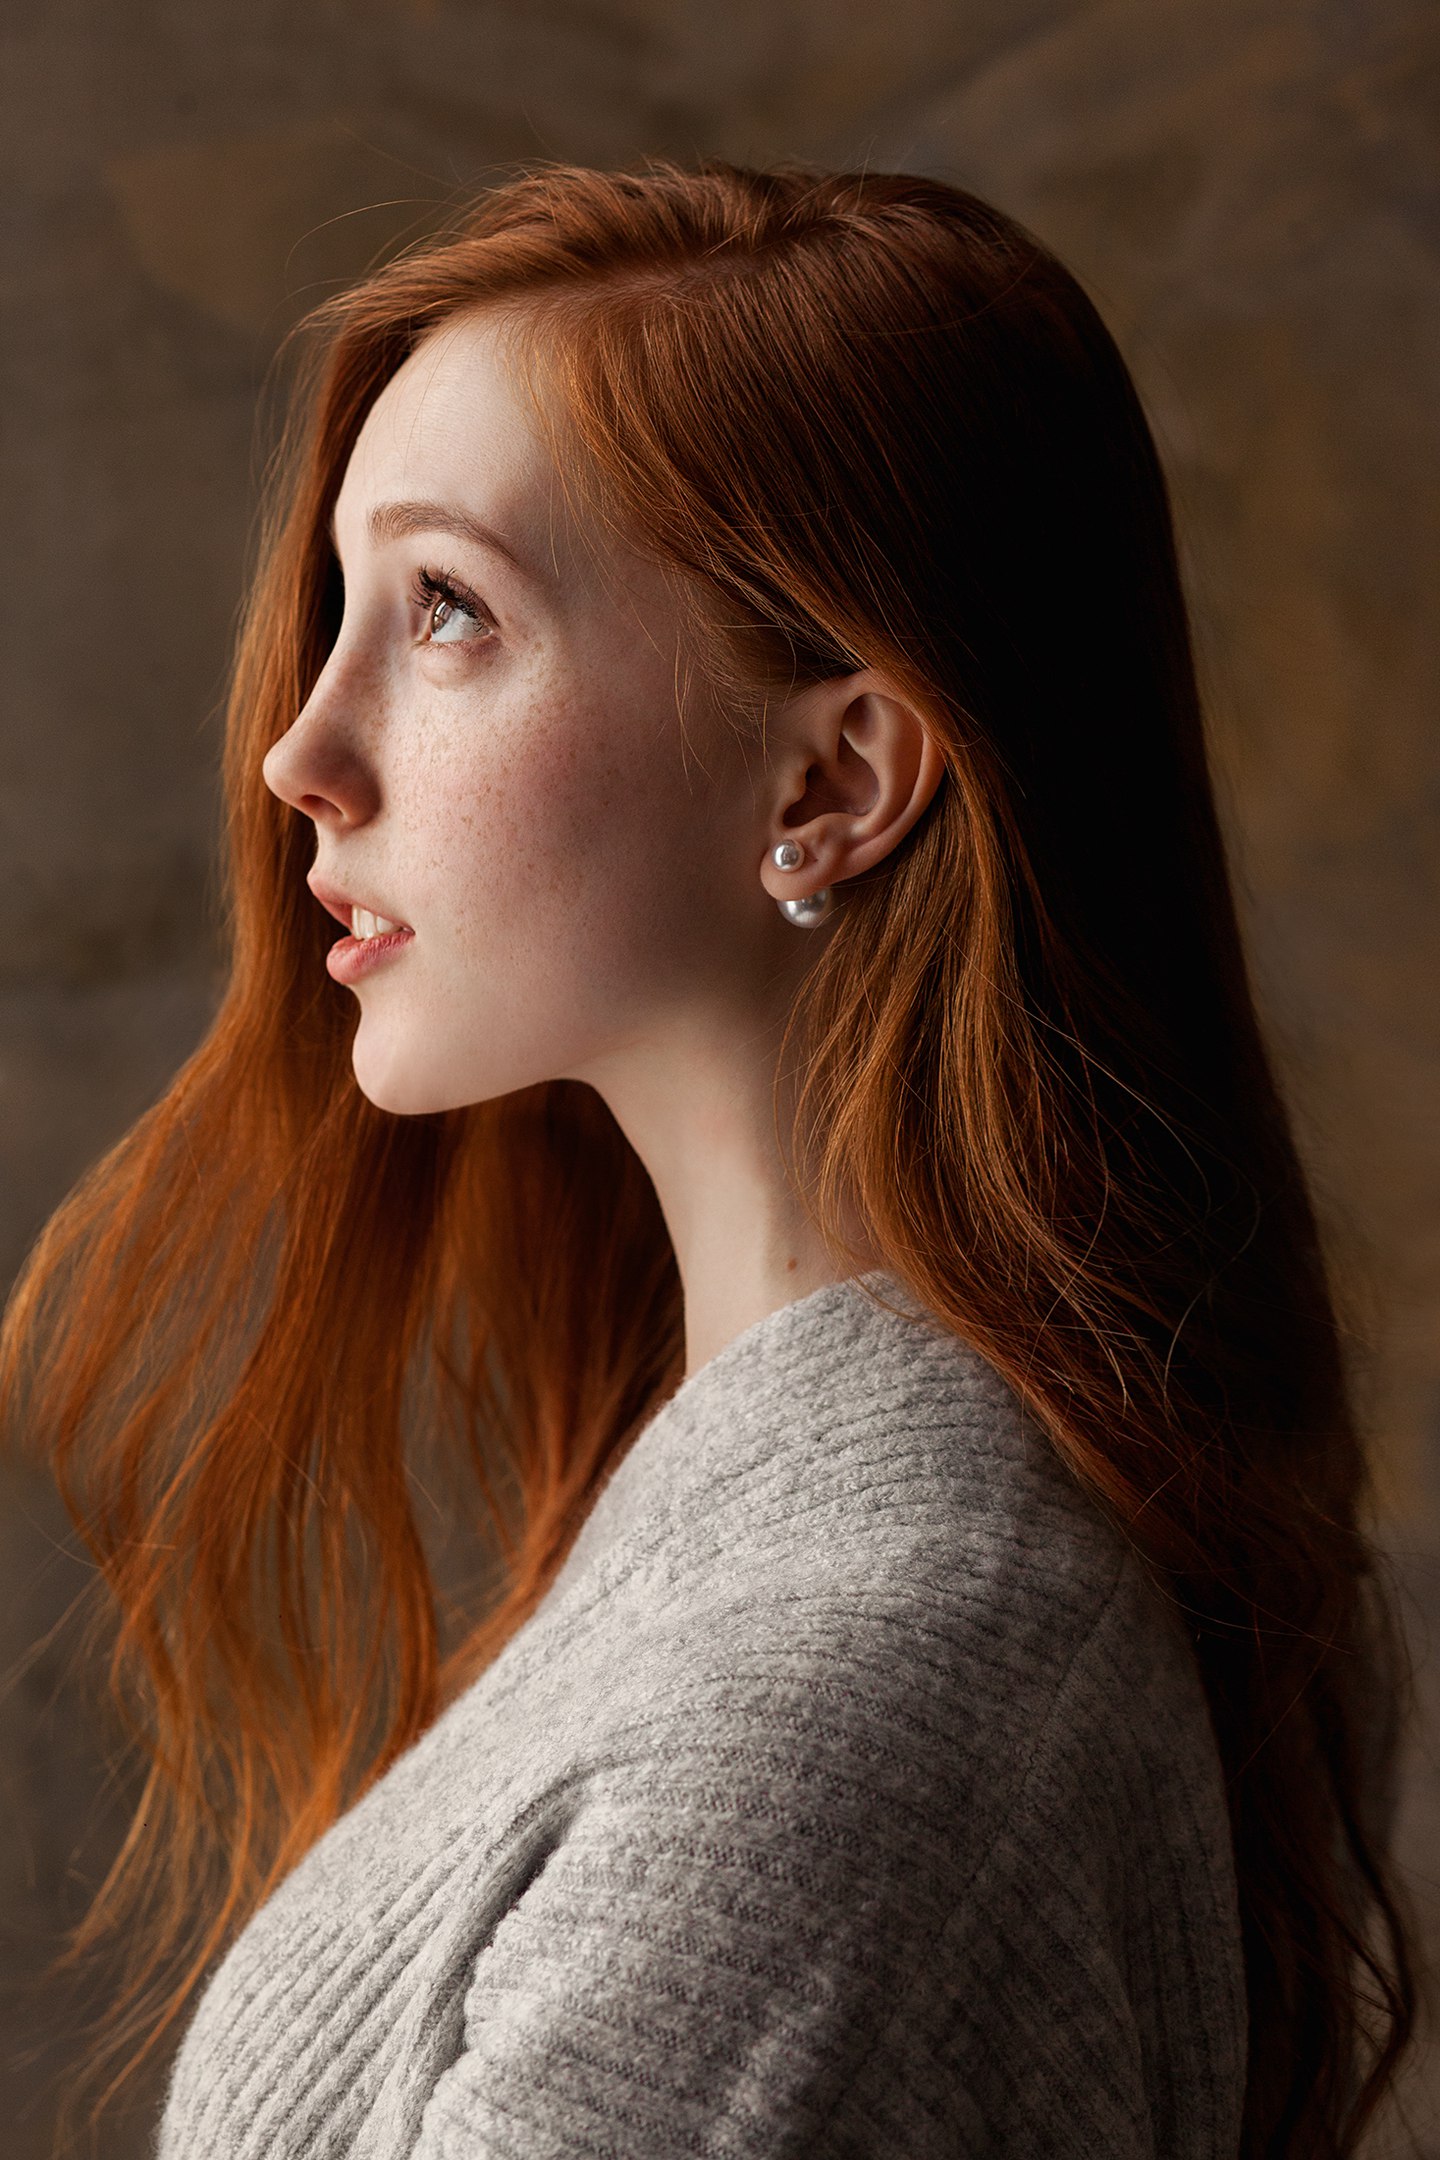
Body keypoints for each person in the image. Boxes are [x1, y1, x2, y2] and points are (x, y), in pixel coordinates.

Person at [0, 156, 1416, 2157]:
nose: (302, 754)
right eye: (348, 610)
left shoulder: (856, 1703)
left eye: (452, 614)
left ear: (834, 779)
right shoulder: (780, 1552)